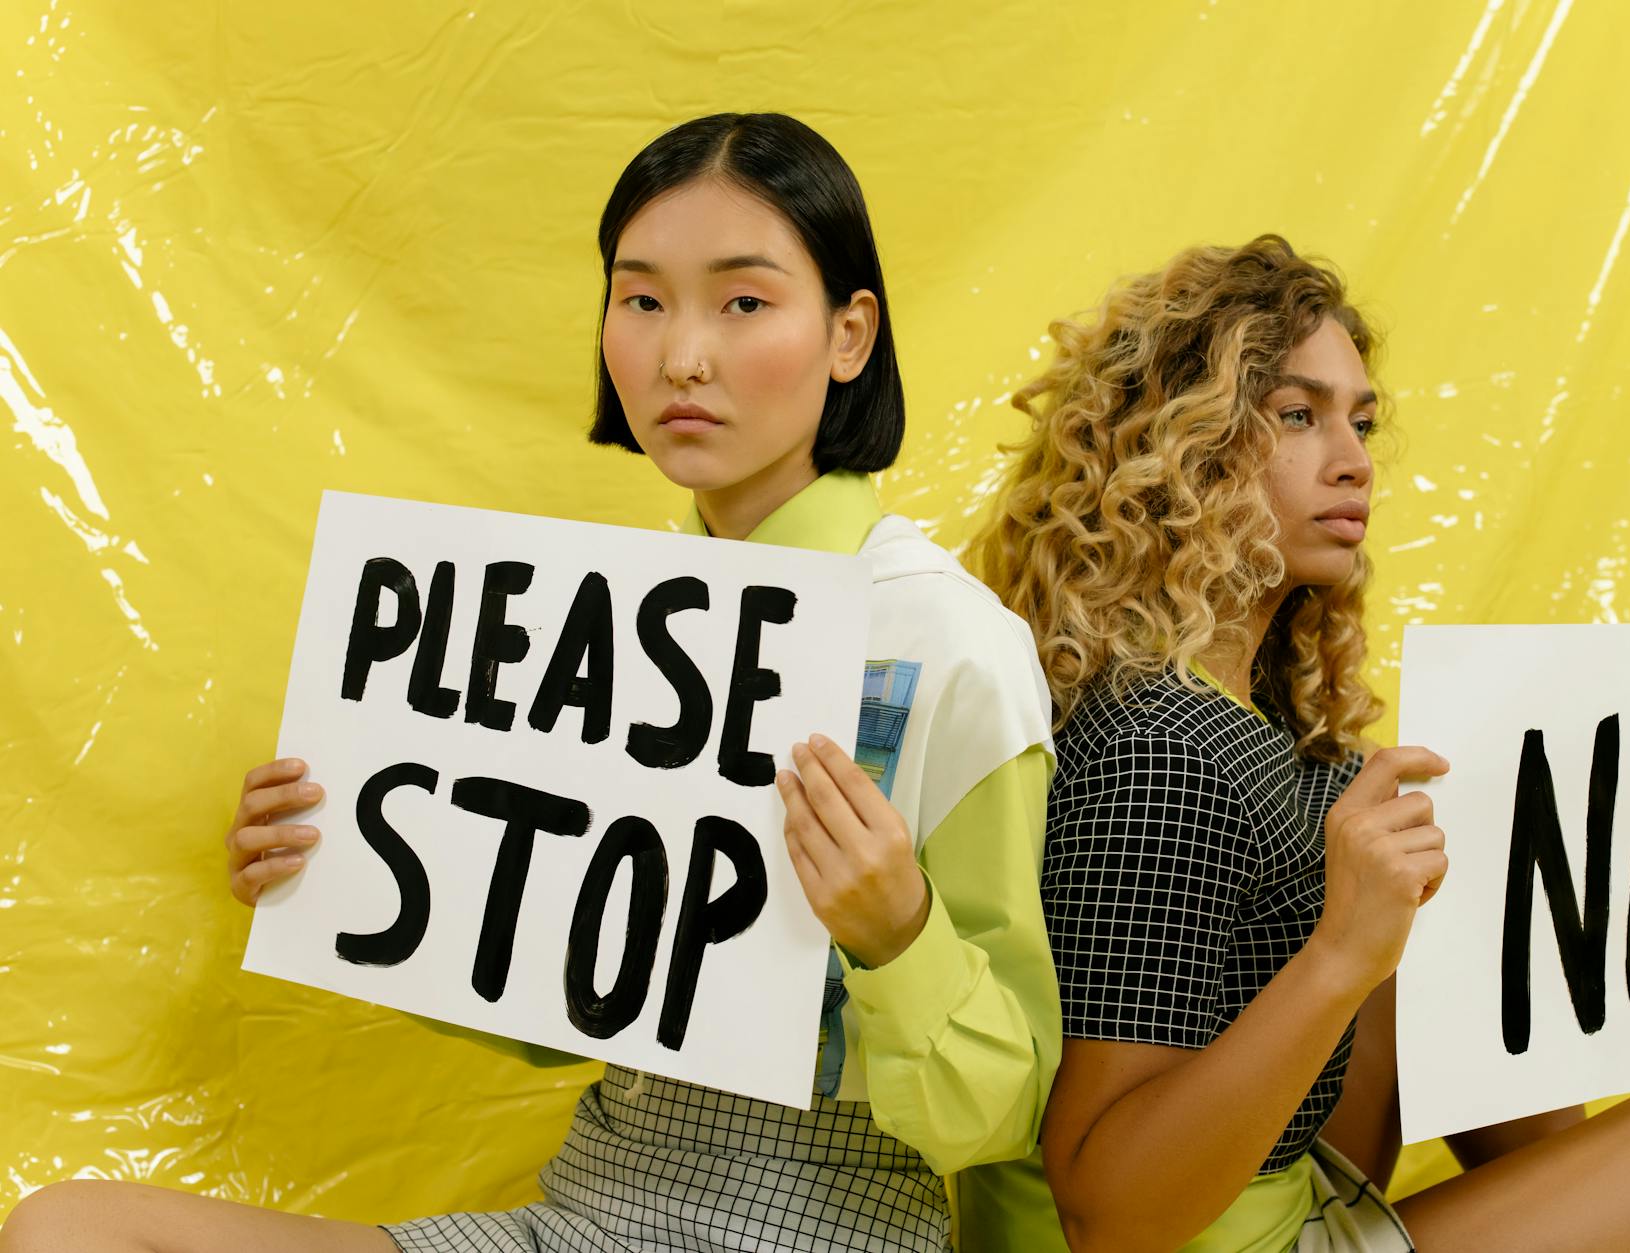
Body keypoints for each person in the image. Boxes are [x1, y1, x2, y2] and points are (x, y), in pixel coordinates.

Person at [0, 112, 1059, 1253]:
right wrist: (343, 863)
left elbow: (1000, 1114)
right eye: (640, 299)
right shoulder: (598, 618)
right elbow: (568, 1002)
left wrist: (897, 931)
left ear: (849, 335)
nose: (680, 355)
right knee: (69, 1228)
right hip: (589, 1203)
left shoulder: (949, 643)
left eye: (742, 302)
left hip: (824, 1222)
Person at [962, 234, 1630, 1252]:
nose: (1354, 459)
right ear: (1177, 444)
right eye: (1297, 415)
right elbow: (1105, 1216)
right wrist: (1342, 949)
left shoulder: (1254, 721)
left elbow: (1475, 993)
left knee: (1429, 901)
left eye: (1361, 420)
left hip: (1295, 1186)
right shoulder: (1164, 746)